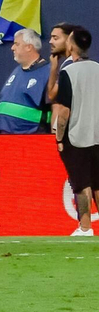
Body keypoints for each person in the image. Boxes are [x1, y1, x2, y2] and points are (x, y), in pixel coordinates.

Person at [52, 26, 99, 237]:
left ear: (72, 45)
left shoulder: (68, 72)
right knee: (98, 183)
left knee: (81, 183)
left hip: (77, 136)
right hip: (97, 134)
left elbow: (63, 110)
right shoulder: (98, 68)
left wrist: (59, 138)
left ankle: (85, 227)